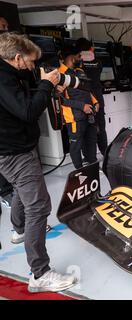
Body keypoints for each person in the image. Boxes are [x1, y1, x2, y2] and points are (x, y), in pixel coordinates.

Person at [0, 32, 77, 292]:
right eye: (31, 63)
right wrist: (45, 85)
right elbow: (28, 111)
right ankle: (40, 273)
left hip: (17, 148)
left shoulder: (10, 73)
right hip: (14, 152)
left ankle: (19, 229)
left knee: (23, 192)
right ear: (18, 58)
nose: (32, 68)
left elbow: (21, 102)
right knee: (39, 206)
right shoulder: (2, 78)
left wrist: (47, 85)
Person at [58, 45, 99, 169]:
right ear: (71, 57)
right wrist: (82, 106)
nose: (81, 58)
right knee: (76, 145)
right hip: (75, 118)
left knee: (91, 141)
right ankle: (80, 170)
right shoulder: (60, 74)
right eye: (79, 56)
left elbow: (88, 91)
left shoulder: (80, 72)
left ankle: (92, 166)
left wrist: (95, 102)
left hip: (90, 114)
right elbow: (60, 99)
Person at [75, 37, 108, 157]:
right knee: (101, 128)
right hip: (97, 97)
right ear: (90, 49)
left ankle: (89, 157)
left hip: (84, 98)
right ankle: (105, 154)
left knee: (88, 129)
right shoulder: (98, 61)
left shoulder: (78, 63)